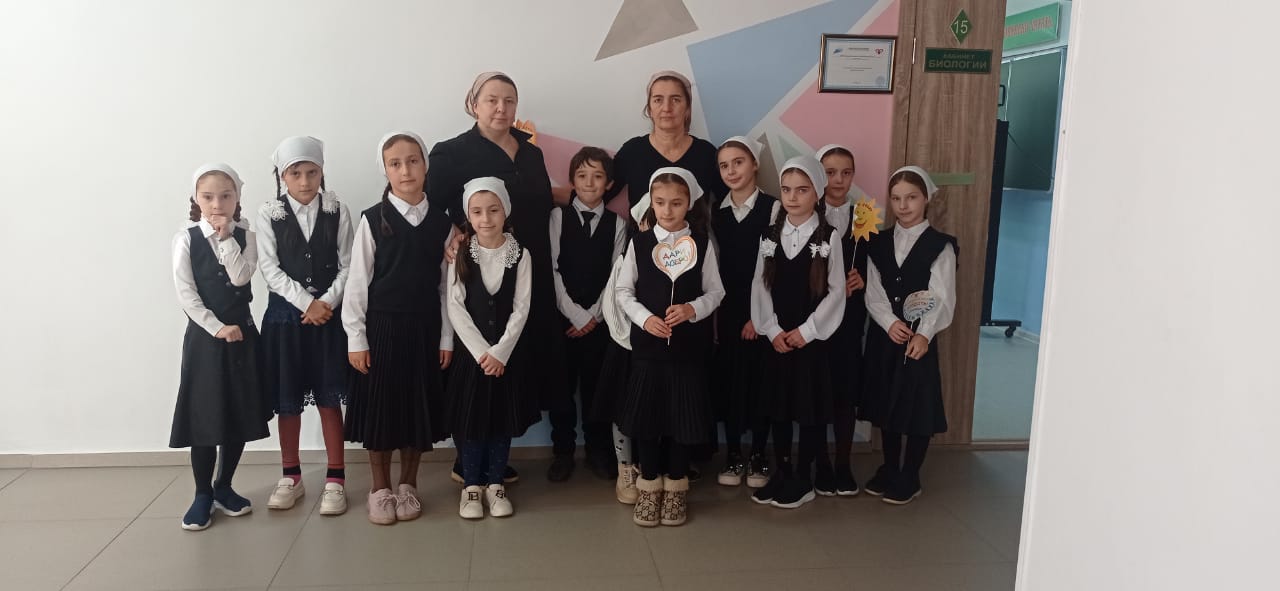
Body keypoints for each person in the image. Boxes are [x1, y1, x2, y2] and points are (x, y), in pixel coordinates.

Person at [429, 71, 563, 484]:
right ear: (473, 104)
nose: (501, 108)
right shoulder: (451, 152)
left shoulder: (530, 152)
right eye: (491, 100)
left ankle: (500, 455)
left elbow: (544, 202)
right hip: (477, 272)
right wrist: (453, 237)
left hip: (528, 266)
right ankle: (468, 462)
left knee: (518, 357)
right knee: (476, 362)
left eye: (509, 100)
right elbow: (432, 208)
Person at [343, 132, 454, 525]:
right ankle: (380, 488)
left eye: (413, 161)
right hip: (382, 329)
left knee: (415, 410)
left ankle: (408, 485)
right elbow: (358, 282)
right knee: (382, 411)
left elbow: (446, 287)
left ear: (425, 165)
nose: (405, 170)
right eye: (395, 163)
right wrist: (356, 338)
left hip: (425, 329)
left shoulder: (442, 222)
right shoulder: (374, 219)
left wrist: (446, 337)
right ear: (385, 170)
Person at [615, 167, 725, 527]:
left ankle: (676, 487)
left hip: (687, 351)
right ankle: (649, 485)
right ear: (651, 202)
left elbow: (716, 291)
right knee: (648, 420)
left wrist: (693, 309)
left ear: (689, 203)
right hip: (648, 350)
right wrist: (645, 318)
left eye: (676, 203)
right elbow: (623, 291)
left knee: (681, 419)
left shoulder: (702, 244)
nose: (667, 210)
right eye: (660, 202)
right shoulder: (640, 243)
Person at [170, 163, 271, 531]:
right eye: (208, 196)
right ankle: (202, 494)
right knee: (205, 416)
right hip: (205, 340)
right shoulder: (185, 239)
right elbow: (187, 294)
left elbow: (241, 278)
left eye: (226, 196)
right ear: (196, 198)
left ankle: (224, 486)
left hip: (242, 337)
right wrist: (216, 328)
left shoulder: (247, 236)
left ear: (237, 198)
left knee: (237, 415)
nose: (217, 204)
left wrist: (227, 237)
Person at [256, 136, 353, 515]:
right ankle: (291, 476)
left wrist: (326, 302)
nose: (304, 181)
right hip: (286, 320)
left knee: (330, 400)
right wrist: (306, 303)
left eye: (312, 172)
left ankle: (335, 479)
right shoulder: (269, 214)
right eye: (295, 173)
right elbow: (270, 269)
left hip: (328, 320)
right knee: (289, 402)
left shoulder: (337, 211)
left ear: (321, 172)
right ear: (282, 176)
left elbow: (348, 264)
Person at [748, 156, 846, 510]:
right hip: (777, 340)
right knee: (779, 409)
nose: (792, 197)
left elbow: (837, 290)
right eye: (786, 190)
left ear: (817, 193)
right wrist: (771, 329)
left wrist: (807, 331)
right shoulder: (769, 236)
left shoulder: (828, 237)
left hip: (809, 340)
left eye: (802, 190)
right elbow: (760, 285)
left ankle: (804, 477)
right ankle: (783, 471)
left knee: (808, 409)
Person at [861, 166, 957, 505]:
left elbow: (942, 295)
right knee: (887, 402)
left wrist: (924, 334)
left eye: (911, 198)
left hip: (918, 341)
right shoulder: (877, 242)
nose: (903, 206)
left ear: (926, 198)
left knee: (917, 406)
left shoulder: (940, 246)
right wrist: (889, 322)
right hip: (887, 336)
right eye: (896, 198)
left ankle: (910, 474)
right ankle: (889, 467)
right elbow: (873, 292)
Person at [446, 177, 540, 519]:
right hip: (471, 358)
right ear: (468, 216)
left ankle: (496, 483)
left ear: (505, 211)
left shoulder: (522, 255)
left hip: (506, 357)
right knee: (470, 421)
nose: (485, 219)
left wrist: (500, 352)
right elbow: (455, 306)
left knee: (500, 421)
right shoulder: (459, 253)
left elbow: (522, 307)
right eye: (477, 212)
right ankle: (471, 485)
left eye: (493, 210)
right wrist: (481, 352)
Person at [548, 148, 627, 480]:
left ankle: (598, 451)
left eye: (597, 177)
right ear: (572, 181)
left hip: (600, 322)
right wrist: (575, 315)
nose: (589, 183)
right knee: (561, 390)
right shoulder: (557, 217)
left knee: (598, 389)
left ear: (609, 184)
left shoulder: (618, 224)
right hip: (563, 321)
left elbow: (616, 276)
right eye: (582, 176)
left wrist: (594, 316)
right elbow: (552, 270)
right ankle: (563, 452)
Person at [710, 136, 778, 488]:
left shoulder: (774, 208)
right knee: (730, 382)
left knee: (760, 382)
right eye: (724, 165)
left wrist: (759, 316)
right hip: (728, 309)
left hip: (763, 309)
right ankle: (734, 453)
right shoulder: (716, 212)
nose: (731, 171)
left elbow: (776, 267)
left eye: (738, 162)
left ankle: (759, 454)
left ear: (754, 164)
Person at [816, 144, 869, 497]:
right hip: (816, 318)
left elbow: (873, 263)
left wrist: (861, 279)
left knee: (845, 393)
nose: (838, 180)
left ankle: (844, 464)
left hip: (849, 319)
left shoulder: (865, 215)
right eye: (830, 172)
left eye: (845, 172)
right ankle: (821, 463)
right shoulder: (807, 211)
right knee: (818, 391)